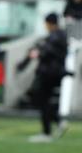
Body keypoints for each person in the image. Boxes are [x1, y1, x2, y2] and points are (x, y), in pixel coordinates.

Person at [27, 12, 70, 142]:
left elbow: (47, 52)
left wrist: (38, 52)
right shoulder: (60, 35)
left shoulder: (55, 36)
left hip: (49, 73)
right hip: (53, 73)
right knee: (43, 101)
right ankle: (57, 122)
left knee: (42, 101)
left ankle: (47, 132)